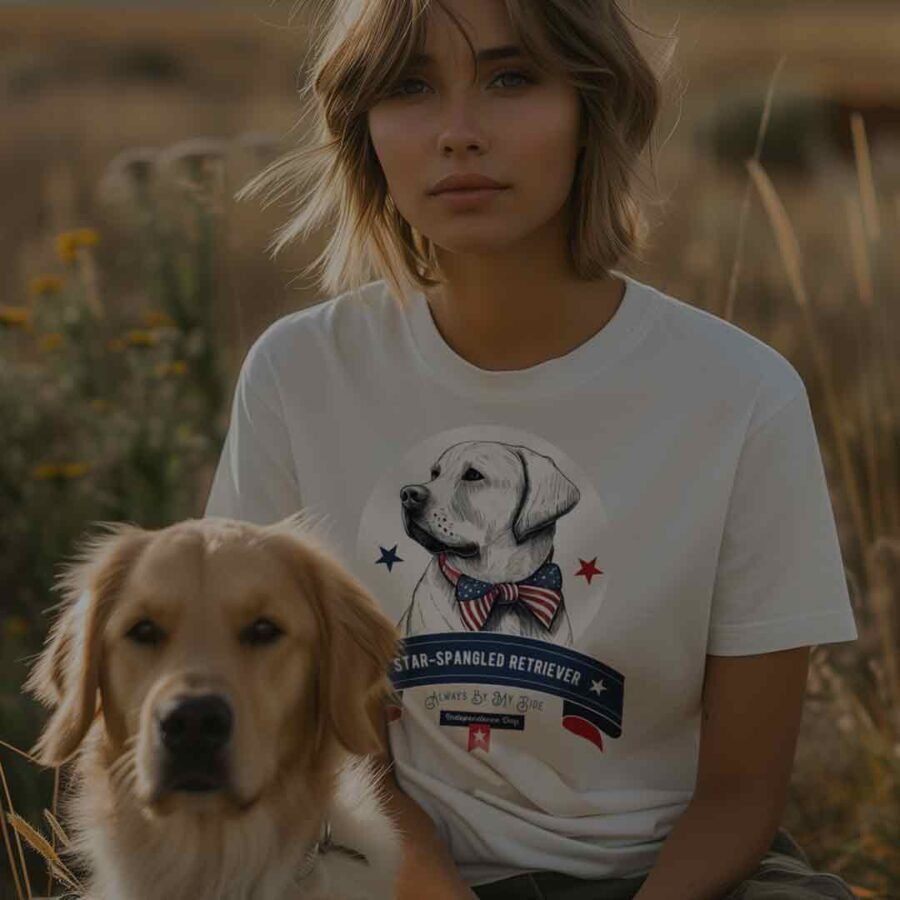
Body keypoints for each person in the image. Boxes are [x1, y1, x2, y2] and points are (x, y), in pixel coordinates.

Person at [203, 1, 860, 897]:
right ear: (363, 127)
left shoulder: (743, 396)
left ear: (595, 107)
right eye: (410, 87)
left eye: (512, 79)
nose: (458, 134)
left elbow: (741, 793)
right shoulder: (299, 374)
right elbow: (304, 742)